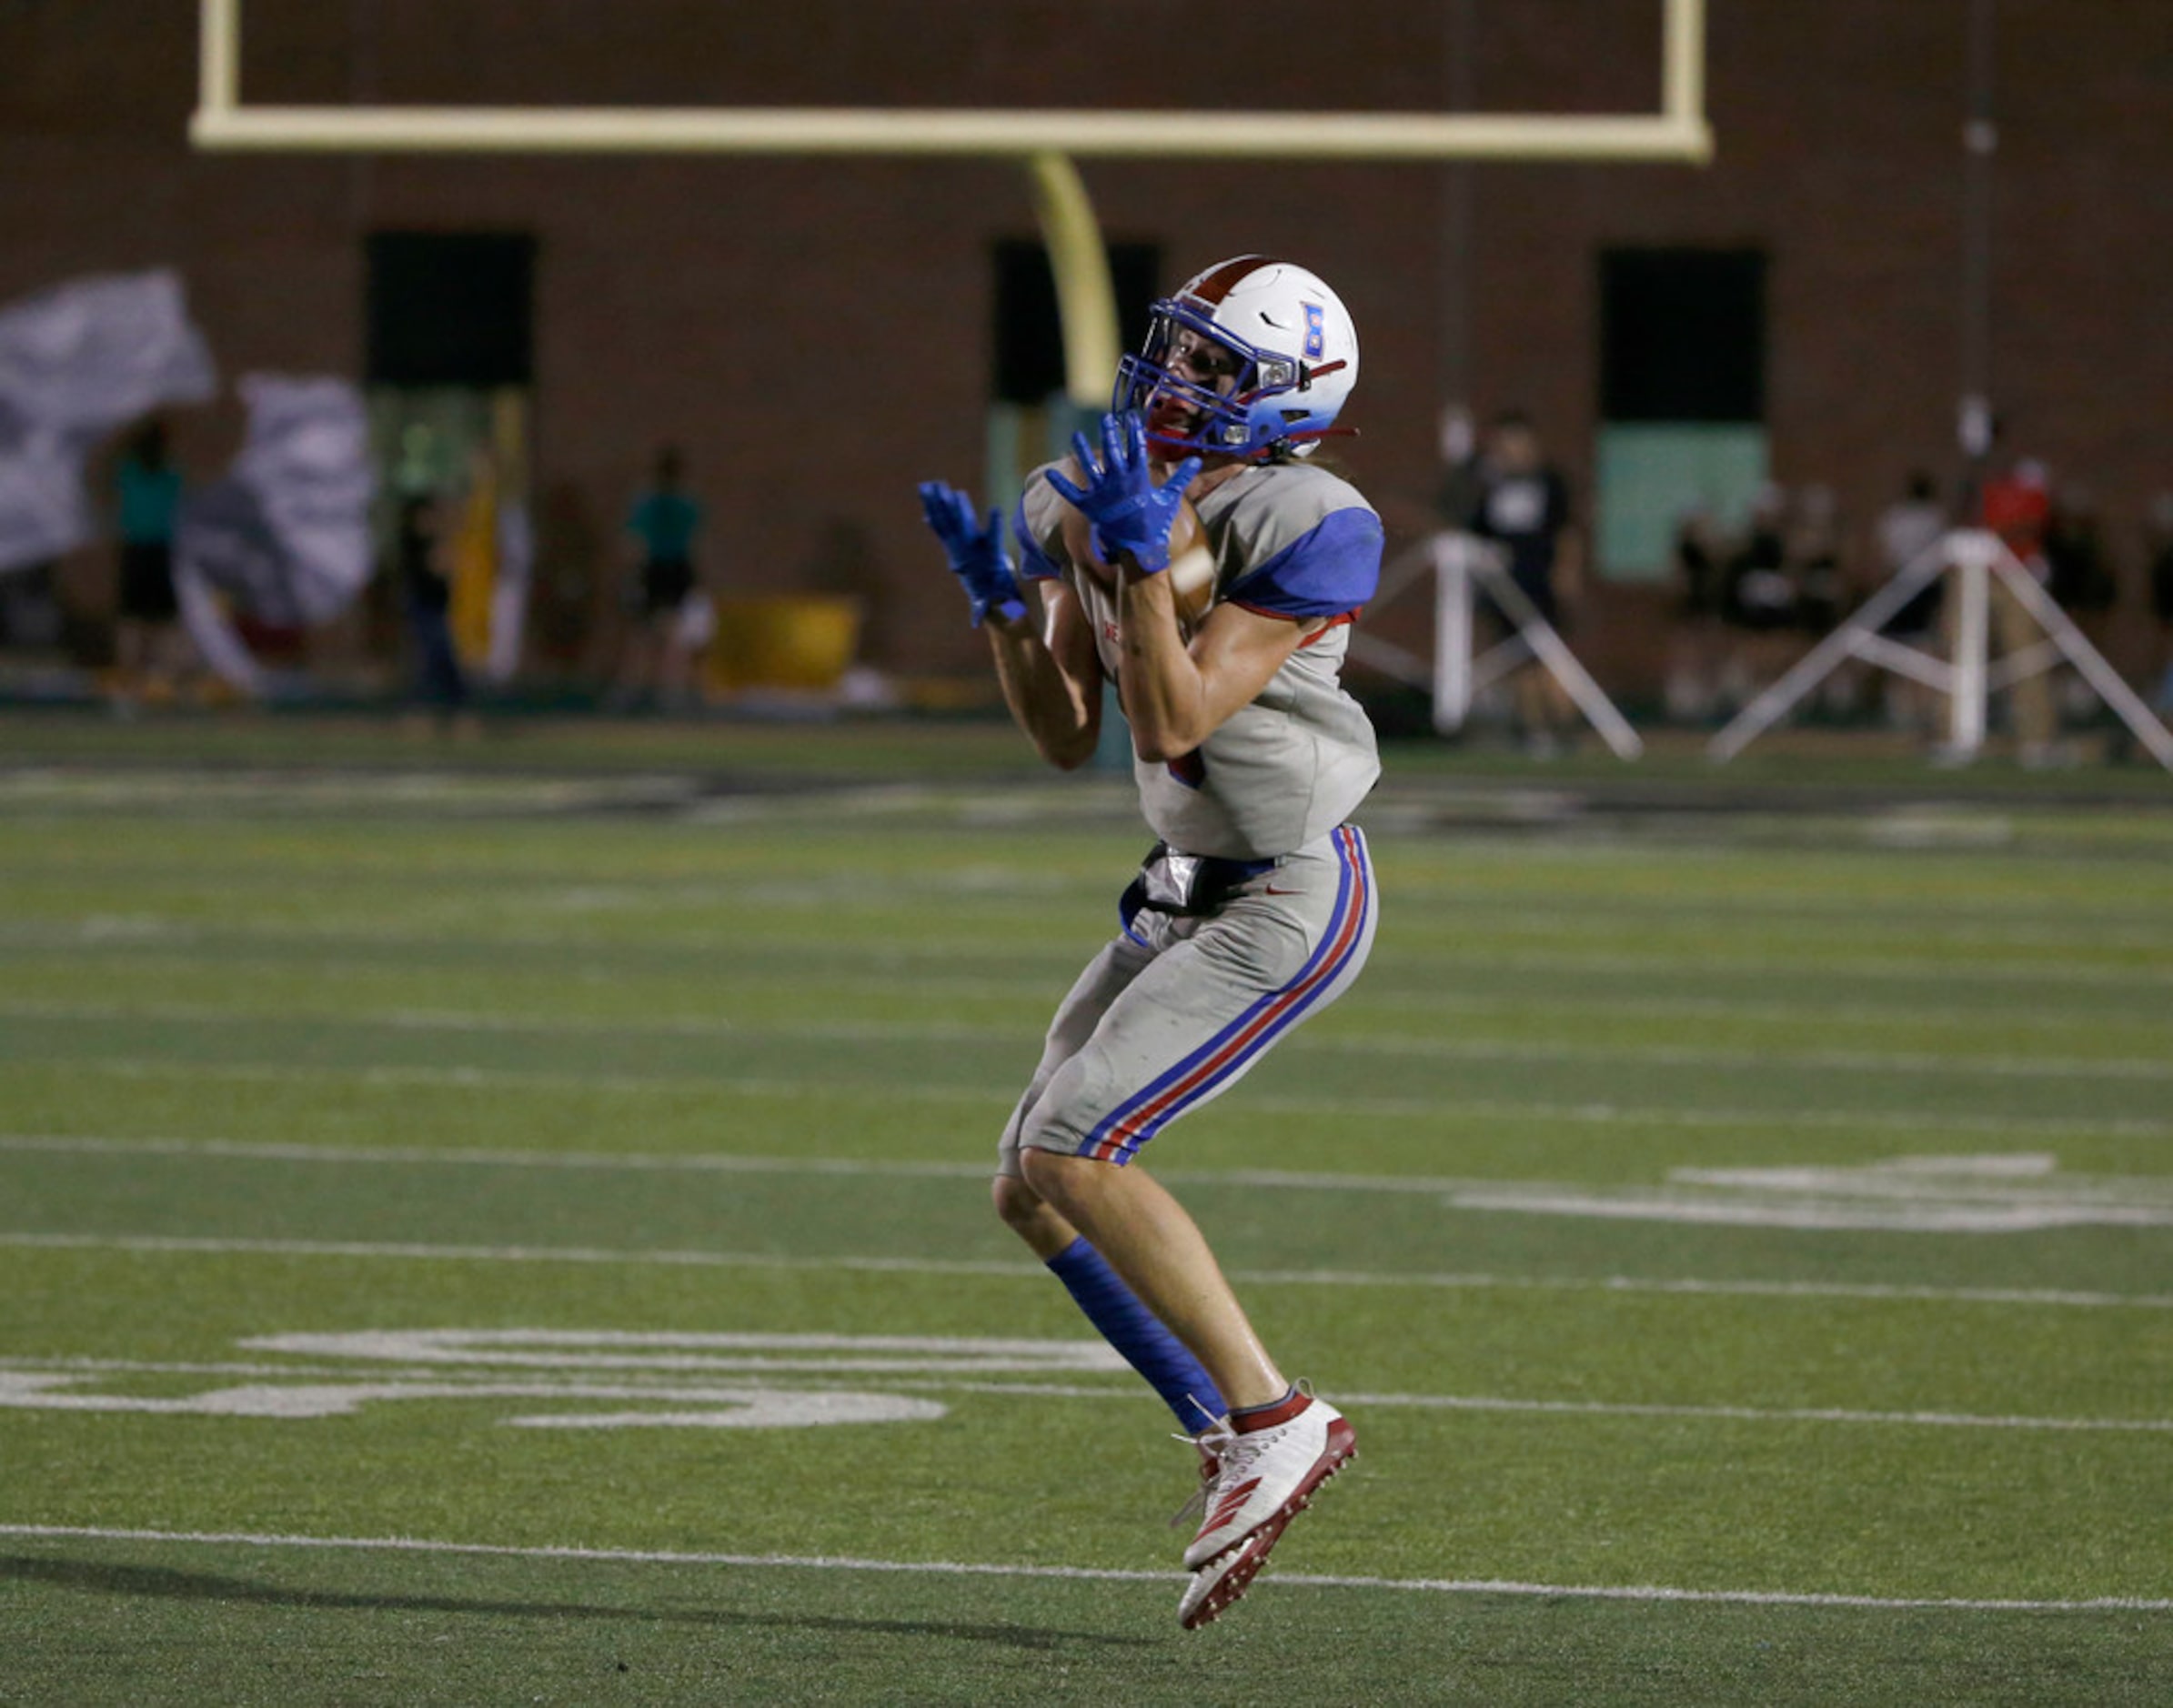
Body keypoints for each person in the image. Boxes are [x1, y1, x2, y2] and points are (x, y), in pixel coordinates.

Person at [917, 256, 1381, 1631]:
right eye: (1175, 352)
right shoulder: (1096, 485)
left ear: (1287, 399)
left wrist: (1132, 562)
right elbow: (1069, 731)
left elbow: (1175, 719)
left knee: (1078, 1142)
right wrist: (1004, 607)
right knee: (1030, 1182)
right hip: (1181, 879)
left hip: (1289, 888)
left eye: (1216, 368)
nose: (1176, 381)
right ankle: (1226, 1430)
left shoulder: (1314, 517)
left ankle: (1278, 1413)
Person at [1464, 409, 1583, 754]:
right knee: (1516, 660)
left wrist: (1566, 573)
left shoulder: (1549, 482)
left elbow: (1567, 531)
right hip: (1504, 582)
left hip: (1540, 580)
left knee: (1548, 656)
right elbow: (1477, 530)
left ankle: (1566, 726)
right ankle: (1534, 730)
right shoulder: (1492, 484)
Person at [614, 444, 708, 709]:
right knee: (672, 635)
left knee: (643, 635)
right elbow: (696, 543)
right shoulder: (684, 504)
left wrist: (631, 573)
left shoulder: (650, 502)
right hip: (676, 570)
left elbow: (633, 541)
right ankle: (668, 693)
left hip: (656, 570)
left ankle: (633, 692)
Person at [110, 418, 190, 706]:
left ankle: (136, 683)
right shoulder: (169, 472)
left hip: (139, 549)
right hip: (158, 550)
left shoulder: (129, 470)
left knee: (134, 621)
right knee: (162, 622)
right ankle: (160, 682)